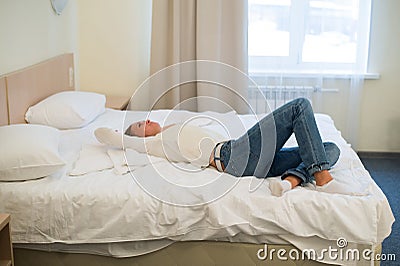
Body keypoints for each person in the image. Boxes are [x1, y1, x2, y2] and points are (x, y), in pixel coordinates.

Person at [95, 98, 363, 196]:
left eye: (143, 120)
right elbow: (105, 134)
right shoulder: (154, 145)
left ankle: (291, 181)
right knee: (299, 107)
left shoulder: (171, 129)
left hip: (247, 158)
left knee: (330, 149)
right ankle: (323, 180)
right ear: (140, 137)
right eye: (140, 125)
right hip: (232, 155)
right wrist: (122, 133)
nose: (146, 121)